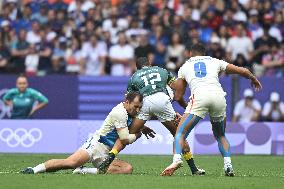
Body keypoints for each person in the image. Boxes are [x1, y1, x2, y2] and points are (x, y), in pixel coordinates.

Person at [161, 43, 262, 177]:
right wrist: (253, 78)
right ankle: (228, 164)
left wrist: (187, 108)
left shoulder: (185, 66)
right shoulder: (214, 61)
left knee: (180, 133)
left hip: (199, 98)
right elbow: (243, 70)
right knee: (220, 135)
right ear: (204, 53)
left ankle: (177, 160)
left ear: (190, 53)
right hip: (219, 97)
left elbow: (178, 95)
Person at [98, 57, 205, 176]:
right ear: (149, 64)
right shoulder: (161, 70)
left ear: (137, 67)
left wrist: (138, 123)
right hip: (163, 100)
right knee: (178, 134)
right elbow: (177, 85)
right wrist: (176, 102)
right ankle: (194, 169)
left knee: (126, 135)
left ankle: (111, 156)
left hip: (146, 102)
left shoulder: (134, 77)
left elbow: (130, 100)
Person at [22, 92, 152, 174]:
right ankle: (34, 169)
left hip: (108, 152)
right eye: (135, 106)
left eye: (140, 107)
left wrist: (142, 126)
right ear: (127, 102)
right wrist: (138, 134)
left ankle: (84, 171)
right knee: (70, 163)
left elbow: (131, 123)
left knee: (127, 169)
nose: (138, 109)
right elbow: (124, 139)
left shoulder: (129, 111)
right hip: (96, 145)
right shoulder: (119, 112)